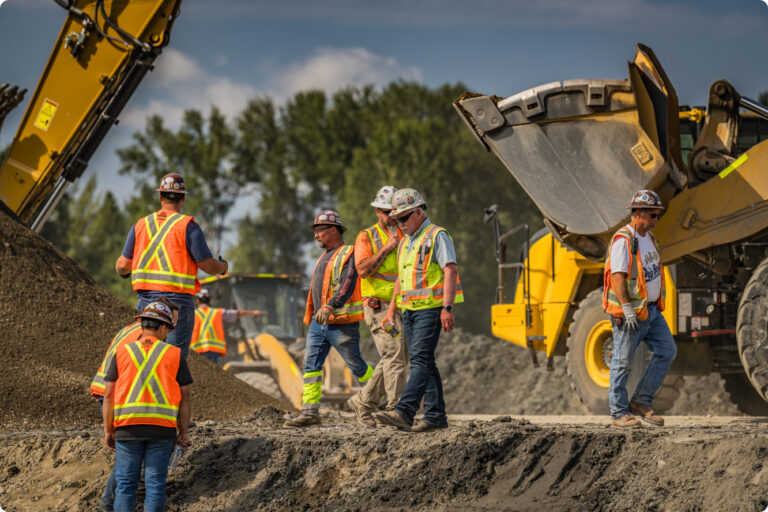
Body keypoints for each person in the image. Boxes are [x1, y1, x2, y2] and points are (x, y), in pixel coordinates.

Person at [374, 189, 464, 433]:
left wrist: (447, 308)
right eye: (397, 220)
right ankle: (435, 416)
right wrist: (391, 310)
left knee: (420, 360)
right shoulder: (406, 241)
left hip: (431, 309)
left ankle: (405, 411)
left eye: (404, 219)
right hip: (410, 311)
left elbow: (450, 271)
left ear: (418, 212)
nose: (400, 224)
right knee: (426, 363)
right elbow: (400, 280)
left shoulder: (437, 235)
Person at [114, 172, 228, 357]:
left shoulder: (141, 225)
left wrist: (126, 271)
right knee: (174, 360)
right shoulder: (188, 226)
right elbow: (208, 266)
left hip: (146, 304)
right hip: (177, 307)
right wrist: (223, 267)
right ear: (182, 199)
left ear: (160, 197)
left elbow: (122, 266)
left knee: (145, 356)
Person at [283, 210, 373, 428]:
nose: (316, 236)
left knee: (357, 366)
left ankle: (384, 398)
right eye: (315, 231)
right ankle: (309, 412)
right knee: (311, 366)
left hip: (340, 322)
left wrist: (330, 305)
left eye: (320, 230)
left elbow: (348, 282)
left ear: (334, 230)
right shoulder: (324, 257)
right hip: (318, 323)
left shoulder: (349, 252)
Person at [91, 298, 180, 512]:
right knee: (131, 469)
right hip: (120, 394)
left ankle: (109, 503)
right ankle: (108, 504)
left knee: (126, 463)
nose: (170, 331)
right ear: (159, 323)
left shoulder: (131, 329)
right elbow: (146, 377)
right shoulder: (147, 339)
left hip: (110, 389)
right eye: (169, 324)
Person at [603, 189, 676, 428]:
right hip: (630, 315)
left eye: (657, 215)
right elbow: (618, 277)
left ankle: (641, 401)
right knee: (623, 362)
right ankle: (618, 413)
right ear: (637, 213)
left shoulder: (650, 239)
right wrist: (626, 309)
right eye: (653, 215)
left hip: (651, 312)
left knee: (667, 350)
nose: (656, 220)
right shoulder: (623, 240)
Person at [346, 186, 408, 428]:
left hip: (401, 304)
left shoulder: (404, 235)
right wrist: (387, 247)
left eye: (394, 212)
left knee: (398, 355)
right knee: (393, 353)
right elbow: (362, 270)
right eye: (385, 212)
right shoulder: (366, 236)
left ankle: (364, 402)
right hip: (378, 305)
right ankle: (395, 410)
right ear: (377, 212)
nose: (391, 217)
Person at [190, 288, 262, 364]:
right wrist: (253, 313)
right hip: (215, 351)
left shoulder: (192, 314)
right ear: (209, 300)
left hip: (198, 351)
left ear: (197, 301)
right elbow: (237, 313)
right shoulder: (218, 312)